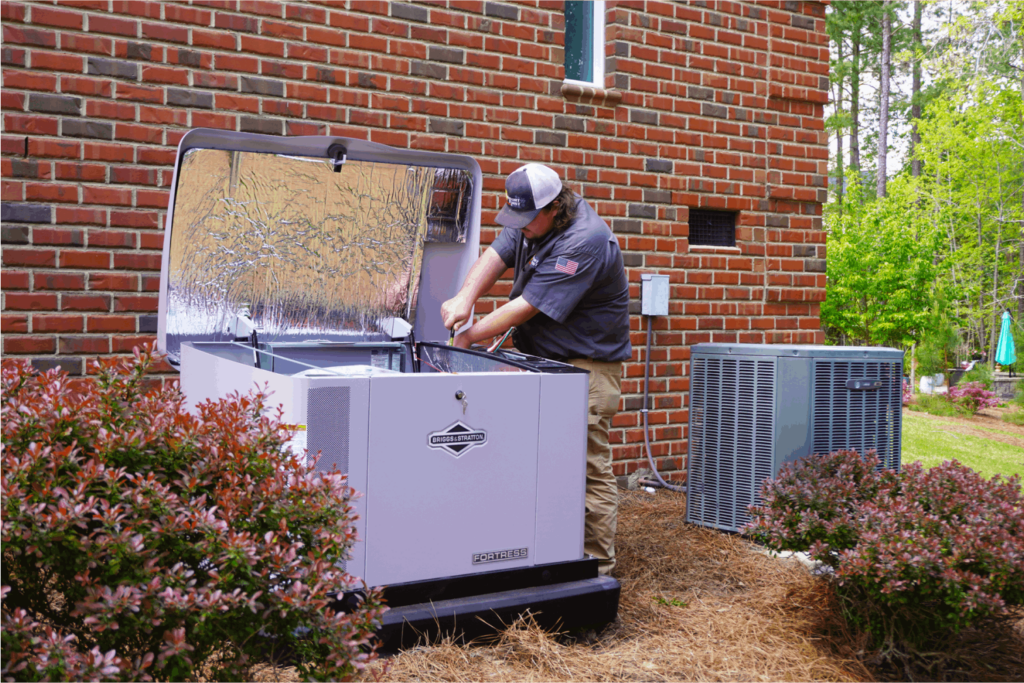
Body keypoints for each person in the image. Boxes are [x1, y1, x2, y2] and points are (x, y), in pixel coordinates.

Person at [440, 163, 631, 576]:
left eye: (527, 220)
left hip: (586, 367)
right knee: (531, 461)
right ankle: (542, 552)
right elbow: (496, 255)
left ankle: (596, 572)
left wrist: (468, 338)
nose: (520, 227)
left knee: (585, 468)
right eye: (516, 218)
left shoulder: (586, 240)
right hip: (541, 361)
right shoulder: (531, 218)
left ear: (554, 208)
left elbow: (525, 307)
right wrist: (463, 299)